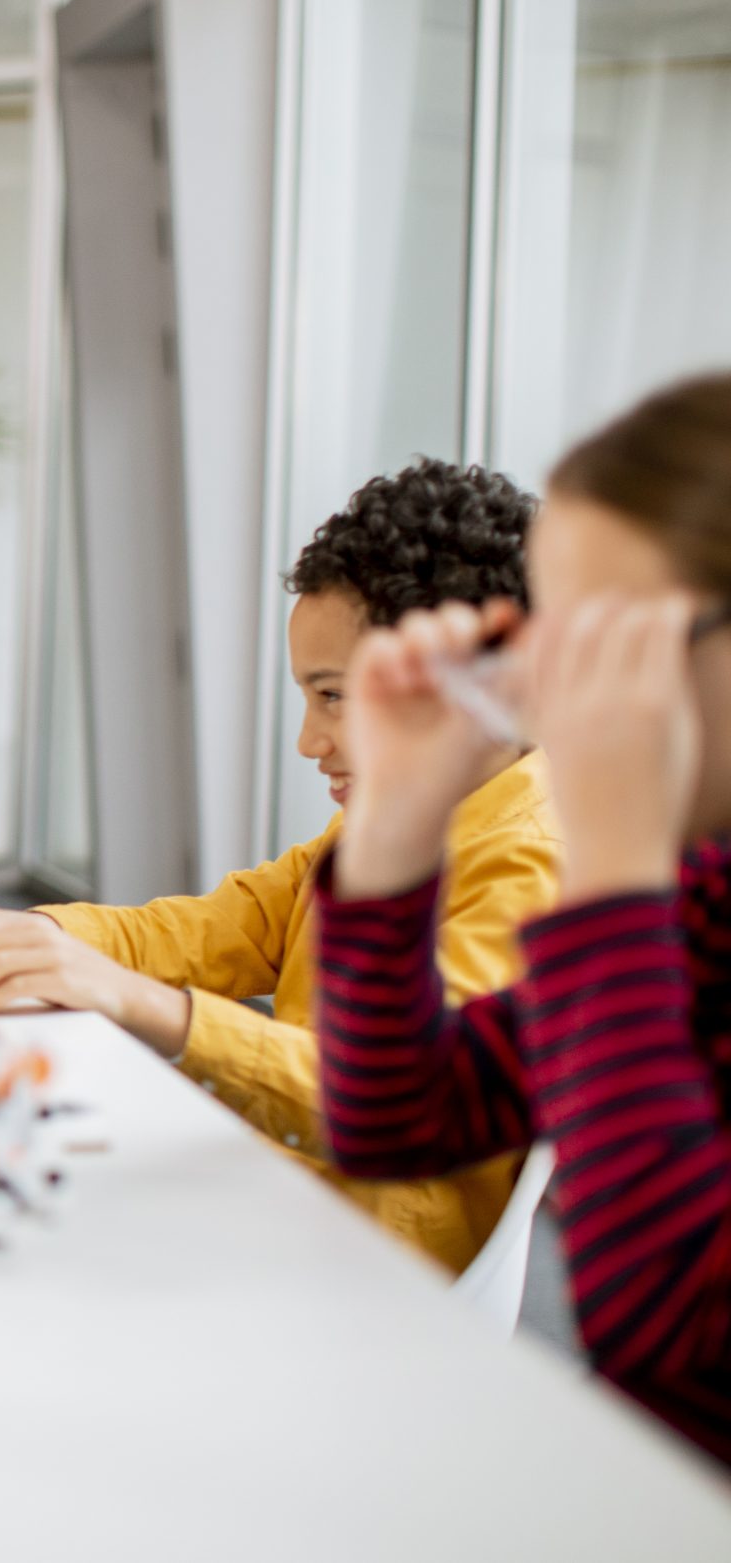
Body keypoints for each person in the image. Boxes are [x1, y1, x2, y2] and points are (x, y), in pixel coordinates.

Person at [0, 460, 554, 1272]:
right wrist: (9, 929)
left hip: (354, 1284)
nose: (309, 742)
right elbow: (200, 931)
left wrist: (145, 1006)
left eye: (337, 698)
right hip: (274, 1210)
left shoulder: (534, 866)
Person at [317, 377, 731, 1464]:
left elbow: (666, 1322)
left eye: (609, 645)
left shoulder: (642, 897)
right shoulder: (699, 903)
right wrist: (398, 831)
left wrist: (610, 876)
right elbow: (393, 1117)